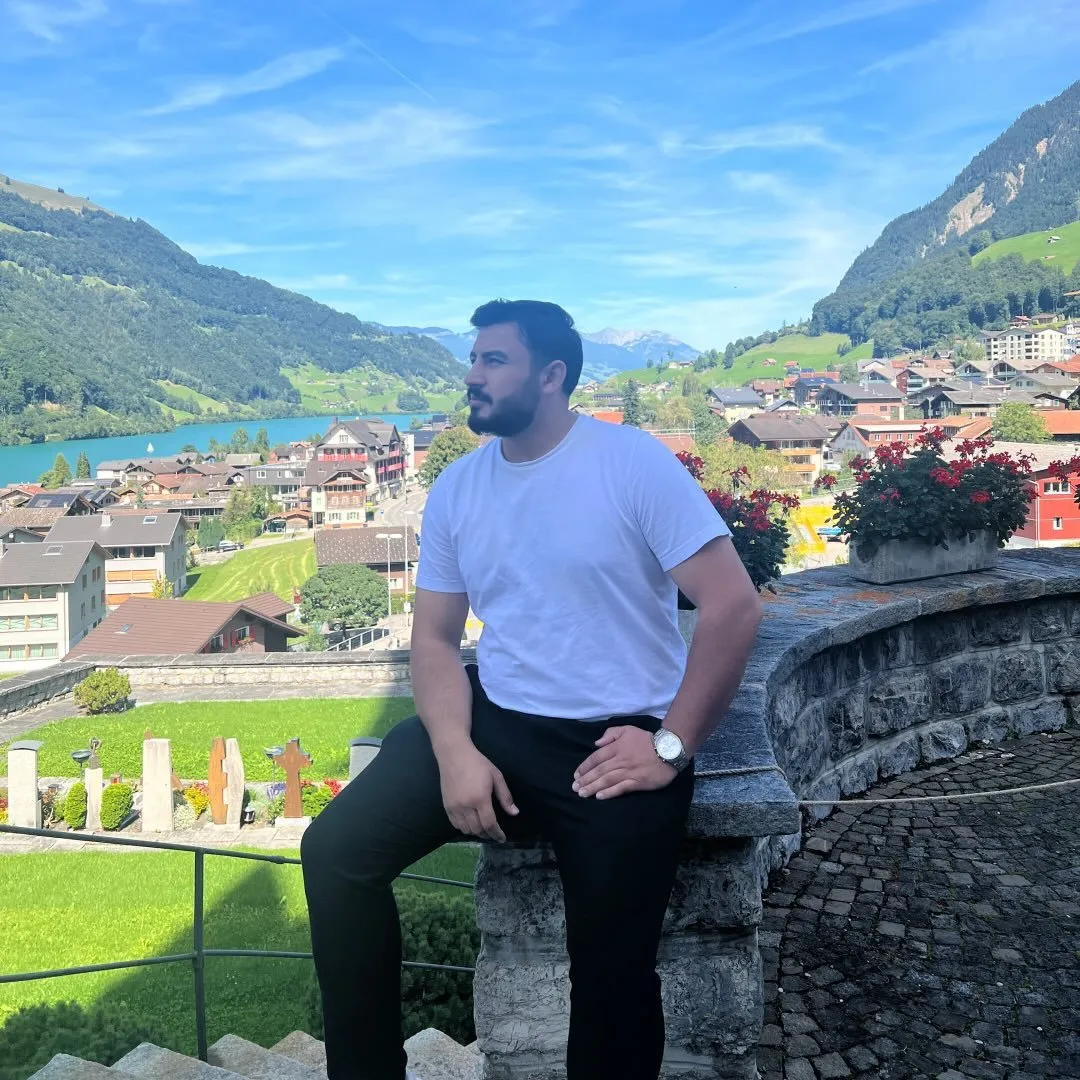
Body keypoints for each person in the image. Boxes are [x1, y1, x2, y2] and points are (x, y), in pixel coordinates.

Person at [302, 299, 763, 1080]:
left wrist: (671, 746)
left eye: (493, 361)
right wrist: (454, 751)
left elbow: (733, 605)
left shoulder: (630, 463)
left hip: (616, 744)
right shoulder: (459, 488)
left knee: (613, 977)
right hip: (498, 721)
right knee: (334, 853)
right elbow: (434, 640)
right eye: (473, 359)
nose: (472, 376)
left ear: (551, 376)